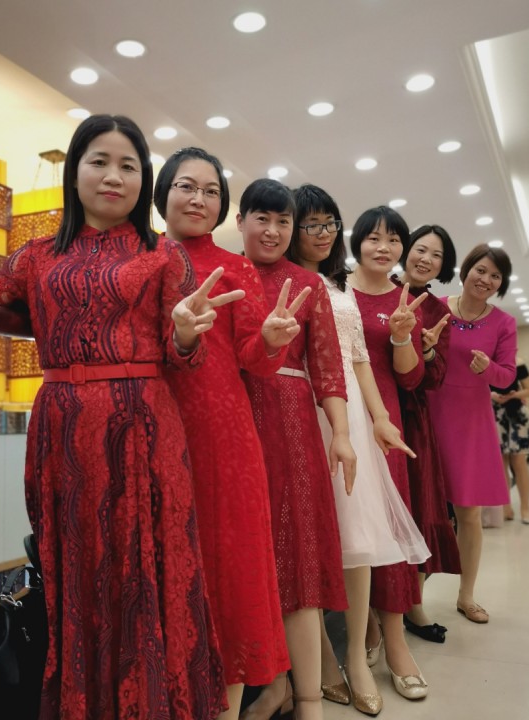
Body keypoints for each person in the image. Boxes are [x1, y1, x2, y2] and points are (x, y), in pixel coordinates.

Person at [0, 115, 242, 720]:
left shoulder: (162, 253)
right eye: (99, 161)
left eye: (128, 165)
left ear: (143, 178)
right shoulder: (36, 255)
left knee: (145, 572)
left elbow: (183, 361)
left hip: (142, 427)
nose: (114, 176)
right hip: (62, 430)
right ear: (75, 171)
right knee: (75, 573)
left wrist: (184, 335)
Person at [153, 148, 309, 720]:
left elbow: (253, 361)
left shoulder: (236, 268)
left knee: (231, 571)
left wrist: (269, 340)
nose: (199, 199)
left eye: (212, 191)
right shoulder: (140, 258)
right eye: (187, 186)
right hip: (151, 427)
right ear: (162, 192)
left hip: (225, 438)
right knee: (163, 568)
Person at [287, 184, 430, 716]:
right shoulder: (283, 280)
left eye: (330, 223)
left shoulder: (339, 286)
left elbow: (359, 360)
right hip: (300, 406)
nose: (322, 233)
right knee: (308, 536)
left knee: (359, 535)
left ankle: (356, 655)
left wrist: (381, 419)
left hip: (349, 415)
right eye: (311, 224)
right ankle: (324, 658)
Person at [238, 179, 354, 720]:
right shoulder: (227, 275)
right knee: (253, 559)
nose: (272, 230)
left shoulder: (308, 283)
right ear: (240, 221)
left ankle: (309, 698)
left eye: (283, 221)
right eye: (261, 218)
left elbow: (328, 369)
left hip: (291, 422)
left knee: (298, 557)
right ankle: (274, 686)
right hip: (235, 419)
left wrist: (343, 434)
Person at [347, 206, 429, 702]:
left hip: (384, 422)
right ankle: (364, 627)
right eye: (374, 237)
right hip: (338, 415)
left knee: (391, 526)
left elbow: (410, 376)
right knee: (352, 527)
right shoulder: (334, 289)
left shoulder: (403, 297)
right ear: (357, 241)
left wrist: (401, 334)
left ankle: (395, 641)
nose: (384, 247)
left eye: (394, 240)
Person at [428, 244, 517, 624]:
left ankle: (466, 596)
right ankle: (408, 600)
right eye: (481, 270)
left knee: (469, 513)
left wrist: (489, 370)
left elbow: (507, 376)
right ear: (466, 270)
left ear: (501, 284)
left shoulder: (504, 323)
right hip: (430, 411)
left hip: (472, 421)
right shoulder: (435, 308)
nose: (486, 279)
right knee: (423, 509)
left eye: (495, 276)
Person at [396, 224, 461, 642]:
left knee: (419, 508)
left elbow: (435, 379)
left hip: (413, 420)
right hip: (369, 406)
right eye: (421, 249)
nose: (426, 259)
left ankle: (413, 606)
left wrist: (428, 349)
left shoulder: (439, 312)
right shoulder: (375, 289)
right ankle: (375, 613)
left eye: (436, 255)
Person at [491, 357, 529, 524]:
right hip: (494, 414)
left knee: (519, 462)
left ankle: (525, 508)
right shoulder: (485, 360)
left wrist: (513, 395)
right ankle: (506, 507)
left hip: (516, 414)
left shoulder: (517, 361)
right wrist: (492, 395)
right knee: (500, 464)